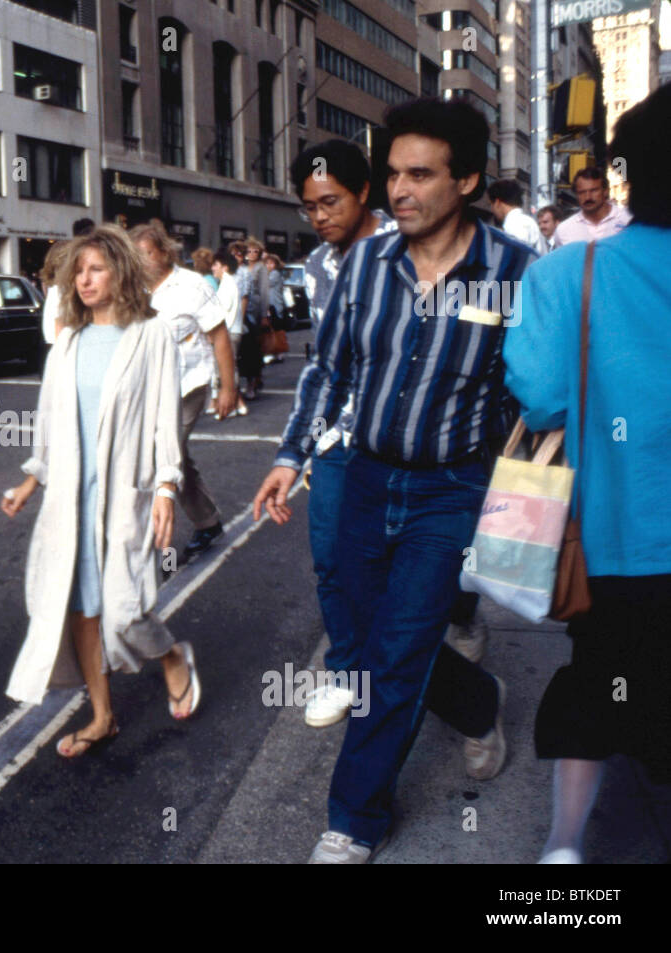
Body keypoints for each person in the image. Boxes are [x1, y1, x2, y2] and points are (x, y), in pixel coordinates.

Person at [254, 97, 537, 863]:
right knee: (377, 639)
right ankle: (479, 703)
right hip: (367, 477)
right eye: (393, 174)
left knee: (397, 654)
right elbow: (328, 369)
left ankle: (353, 820)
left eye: (421, 174)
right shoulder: (366, 269)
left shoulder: (513, 272)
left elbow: (537, 396)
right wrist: (292, 456)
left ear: (468, 179)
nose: (399, 189)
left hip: (451, 492)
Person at [505, 85, 671, 864]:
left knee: (601, 673)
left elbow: (538, 399)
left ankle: (565, 847)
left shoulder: (568, 274)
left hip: (610, 537)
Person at [1, 225, 199, 755]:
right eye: (78, 272)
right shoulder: (68, 342)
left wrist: (164, 488)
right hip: (71, 496)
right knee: (83, 611)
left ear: (120, 272)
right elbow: (49, 419)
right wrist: (29, 480)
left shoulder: (151, 334)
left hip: (126, 493)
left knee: (124, 608)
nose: (84, 280)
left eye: (95, 269)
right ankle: (102, 716)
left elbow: (165, 420)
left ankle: (172, 656)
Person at [287, 139, 398, 728]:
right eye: (310, 207)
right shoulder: (314, 267)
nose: (320, 216)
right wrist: (304, 445)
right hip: (337, 441)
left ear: (362, 193)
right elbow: (326, 362)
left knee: (400, 574)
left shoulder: (404, 252)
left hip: (403, 438)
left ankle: (460, 640)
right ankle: (347, 670)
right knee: (331, 560)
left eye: (330, 202)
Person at [131, 221, 237, 560]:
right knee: (176, 456)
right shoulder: (132, 290)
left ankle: (150, 542)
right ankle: (207, 521)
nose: (141, 261)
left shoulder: (192, 286)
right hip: (150, 390)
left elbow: (219, 336)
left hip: (188, 385)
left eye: (146, 254)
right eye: (135, 256)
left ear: (164, 252)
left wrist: (228, 388)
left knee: (161, 454)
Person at [210, 250, 248, 416]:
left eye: (215, 265)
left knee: (227, 369)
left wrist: (216, 335)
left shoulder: (227, 284)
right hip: (232, 331)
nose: (213, 269)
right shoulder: (228, 283)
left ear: (224, 267)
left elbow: (224, 314)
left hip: (229, 332)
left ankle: (231, 405)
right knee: (230, 367)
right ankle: (236, 404)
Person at [554, 167, 632, 245]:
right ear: (576, 195)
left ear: (605, 191)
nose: (588, 197)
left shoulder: (627, 220)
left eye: (594, 190)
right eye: (582, 192)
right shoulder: (564, 230)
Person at [234, 239, 269, 400]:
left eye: (255, 251)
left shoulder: (260, 268)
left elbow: (263, 290)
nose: (252, 254)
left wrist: (264, 314)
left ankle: (254, 378)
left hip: (253, 310)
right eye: (249, 251)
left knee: (254, 346)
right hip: (239, 311)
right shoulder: (239, 268)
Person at [487, 178, 548, 255]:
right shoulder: (526, 221)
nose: (492, 210)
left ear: (497, 202)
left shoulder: (515, 225)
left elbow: (516, 260)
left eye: (490, 205)